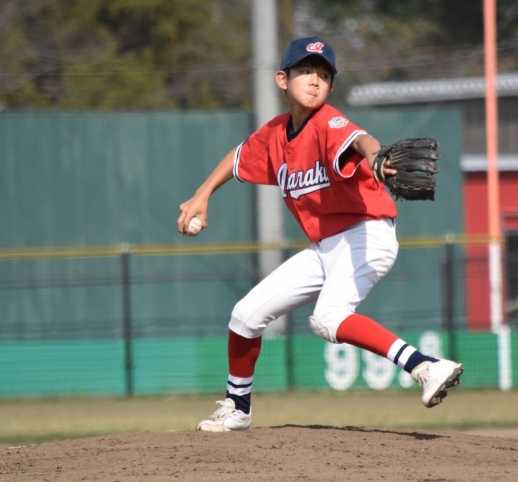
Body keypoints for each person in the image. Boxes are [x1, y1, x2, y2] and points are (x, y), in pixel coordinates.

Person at [177, 36, 463, 432]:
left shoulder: (328, 122)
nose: (315, 80)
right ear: (282, 79)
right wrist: (202, 194)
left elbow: (360, 139)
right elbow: (239, 156)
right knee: (245, 315)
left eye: (324, 75)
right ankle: (237, 407)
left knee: (328, 318)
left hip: (367, 234)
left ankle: (426, 366)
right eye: (305, 71)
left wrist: (376, 157)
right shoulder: (275, 133)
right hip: (327, 246)